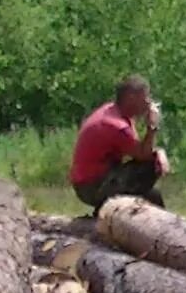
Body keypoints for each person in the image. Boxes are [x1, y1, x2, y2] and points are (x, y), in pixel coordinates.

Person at [70, 75, 170, 212]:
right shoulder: (115, 125)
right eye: (145, 98)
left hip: (95, 180)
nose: (149, 102)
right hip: (91, 186)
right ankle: (104, 208)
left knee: (153, 195)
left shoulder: (115, 113)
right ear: (131, 98)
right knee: (150, 165)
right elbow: (143, 155)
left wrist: (159, 152)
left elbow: (138, 150)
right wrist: (152, 127)